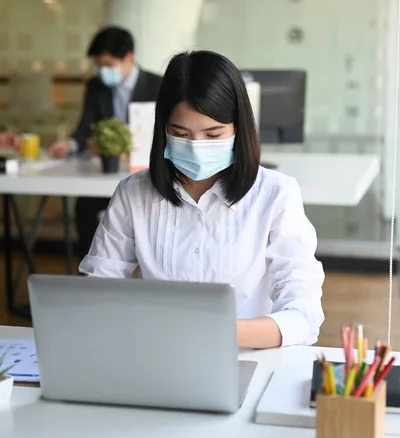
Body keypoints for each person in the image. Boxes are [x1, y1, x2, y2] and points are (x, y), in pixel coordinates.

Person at [79, 50, 324, 349]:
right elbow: (98, 290)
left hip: (245, 356)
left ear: (238, 128)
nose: (195, 147)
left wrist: (213, 331)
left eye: (213, 135)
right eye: (180, 133)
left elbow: (303, 315)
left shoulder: (276, 194)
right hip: (156, 354)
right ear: (163, 129)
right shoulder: (134, 192)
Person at [48, 26, 162, 258]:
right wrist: (69, 145)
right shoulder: (95, 87)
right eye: (99, 65)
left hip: (146, 174)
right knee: (84, 205)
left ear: (128, 57)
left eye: (108, 65)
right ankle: (91, 274)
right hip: (107, 173)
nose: (103, 71)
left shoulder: (158, 86)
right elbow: (83, 129)